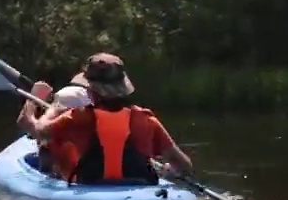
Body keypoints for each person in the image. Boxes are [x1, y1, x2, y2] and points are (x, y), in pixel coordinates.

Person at [17, 53, 193, 185]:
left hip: (92, 190)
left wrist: (34, 98)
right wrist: (171, 171)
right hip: (141, 190)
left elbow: (34, 129)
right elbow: (184, 165)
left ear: (91, 91)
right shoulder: (148, 120)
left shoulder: (77, 118)